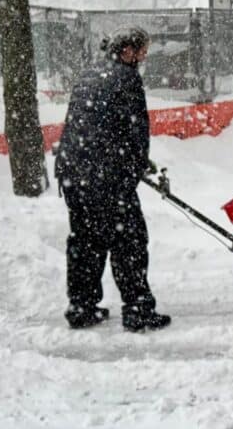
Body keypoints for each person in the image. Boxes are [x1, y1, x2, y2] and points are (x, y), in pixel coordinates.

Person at [55, 26, 171, 332]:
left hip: (73, 172)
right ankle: (138, 310)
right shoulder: (126, 77)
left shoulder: (90, 73)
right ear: (127, 51)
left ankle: (81, 307)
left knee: (86, 241)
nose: (143, 58)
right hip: (105, 176)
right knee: (129, 240)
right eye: (142, 52)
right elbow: (136, 129)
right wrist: (135, 167)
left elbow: (86, 124)